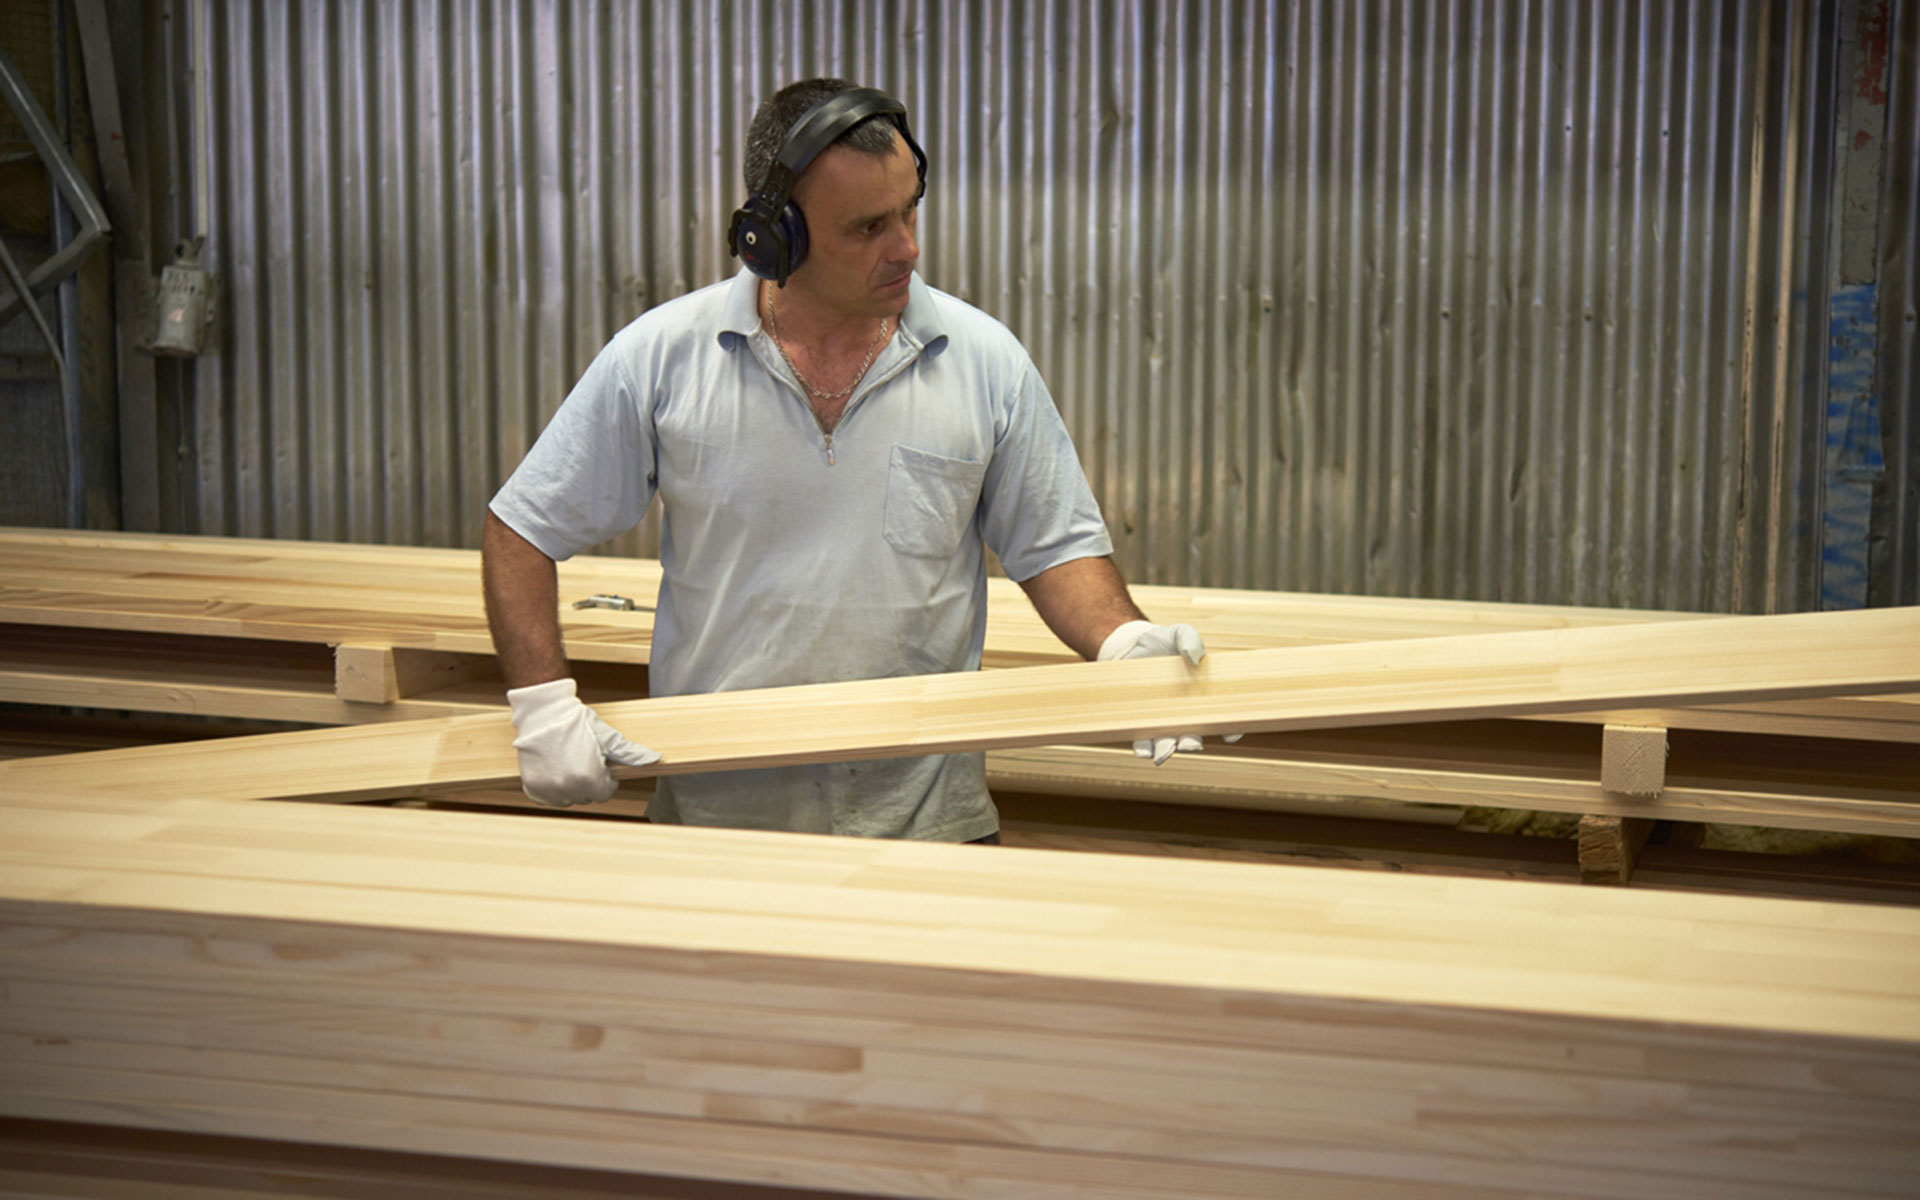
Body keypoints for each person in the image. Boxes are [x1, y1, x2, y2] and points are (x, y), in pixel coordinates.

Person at [483, 77, 1219, 842]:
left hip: (932, 829)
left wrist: (1120, 640)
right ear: (775, 236)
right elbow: (523, 529)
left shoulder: (983, 361)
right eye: (868, 227)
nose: (907, 248)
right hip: (721, 828)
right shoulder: (662, 359)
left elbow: (1055, 545)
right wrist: (542, 703)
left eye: (909, 210)